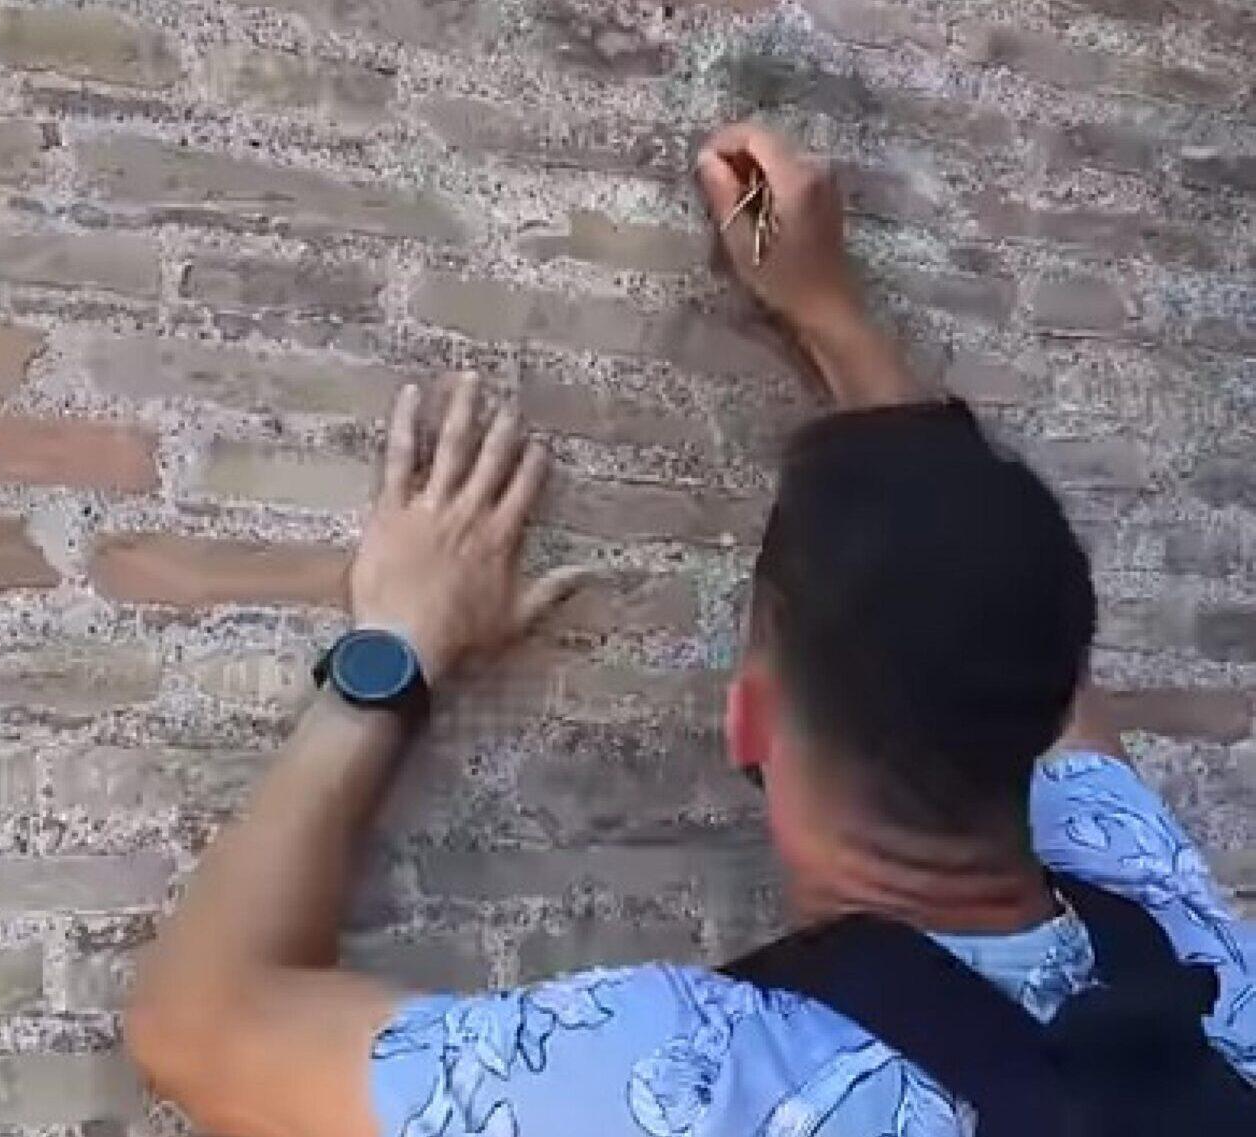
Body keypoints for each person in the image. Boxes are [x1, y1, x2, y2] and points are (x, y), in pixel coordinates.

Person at [126, 124, 1255, 1137]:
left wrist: (394, 655)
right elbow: (986, 596)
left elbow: (206, 1028)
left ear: (748, 719)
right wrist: (833, 315)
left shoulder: (695, 1082)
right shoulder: (1195, 963)